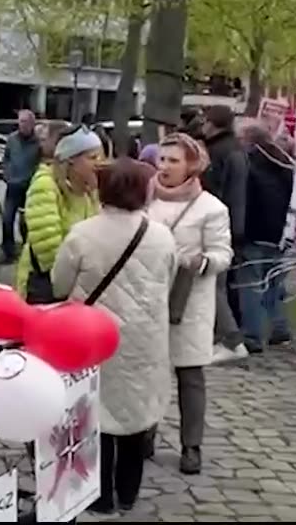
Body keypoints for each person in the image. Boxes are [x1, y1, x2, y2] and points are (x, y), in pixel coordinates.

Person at [52, 159, 177, 515]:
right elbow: (167, 282)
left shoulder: (83, 233)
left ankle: (99, 495)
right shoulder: (161, 235)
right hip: (144, 338)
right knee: (135, 415)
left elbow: (61, 283)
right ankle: (128, 492)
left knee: (97, 414)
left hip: (92, 336)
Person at [147, 134, 232, 475]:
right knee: (148, 373)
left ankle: (191, 445)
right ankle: (143, 434)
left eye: (173, 160)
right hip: (149, 297)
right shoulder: (145, 198)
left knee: (189, 376)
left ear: (192, 165)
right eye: (162, 159)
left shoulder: (211, 208)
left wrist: (202, 262)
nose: (164, 166)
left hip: (189, 303)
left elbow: (223, 254)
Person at [15, 127, 101, 304]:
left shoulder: (88, 191)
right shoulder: (45, 185)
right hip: (47, 288)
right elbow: (48, 250)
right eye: (92, 157)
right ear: (71, 161)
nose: (99, 163)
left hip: (76, 287)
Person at [236, 121, 295, 353]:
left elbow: (246, 200)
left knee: (251, 286)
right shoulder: (283, 166)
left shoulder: (249, 165)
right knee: (273, 284)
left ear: (250, 141)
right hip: (277, 232)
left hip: (254, 231)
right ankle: (279, 329)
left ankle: (252, 335)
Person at [200, 105, 249, 362]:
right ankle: (224, 337)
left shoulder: (218, 153)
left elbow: (215, 191)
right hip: (232, 223)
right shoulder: (237, 150)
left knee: (213, 285)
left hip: (219, 224)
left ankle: (231, 339)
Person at [0, 110, 41, 263]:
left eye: (24, 122)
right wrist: (7, 173)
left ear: (32, 124)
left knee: (27, 222)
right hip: (13, 185)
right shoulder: (12, 139)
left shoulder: (38, 143)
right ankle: (8, 252)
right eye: (20, 121)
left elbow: (40, 161)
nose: (21, 125)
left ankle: (27, 251)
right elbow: (6, 158)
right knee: (7, 219)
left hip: (29, 186)